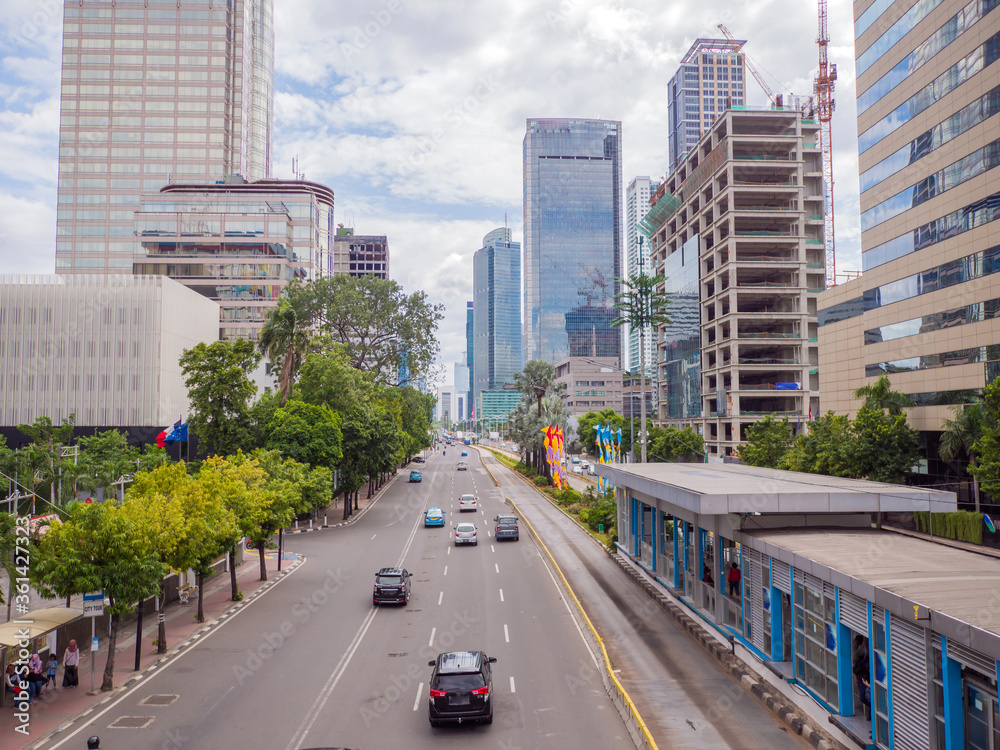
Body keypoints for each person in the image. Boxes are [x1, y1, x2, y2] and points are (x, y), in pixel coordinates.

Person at [853, 635, 871, 719]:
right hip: (862, 678)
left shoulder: (866, 653)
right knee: (863, 697)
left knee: (866, 697)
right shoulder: (858, 653)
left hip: (865, 679)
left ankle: (871, 713)